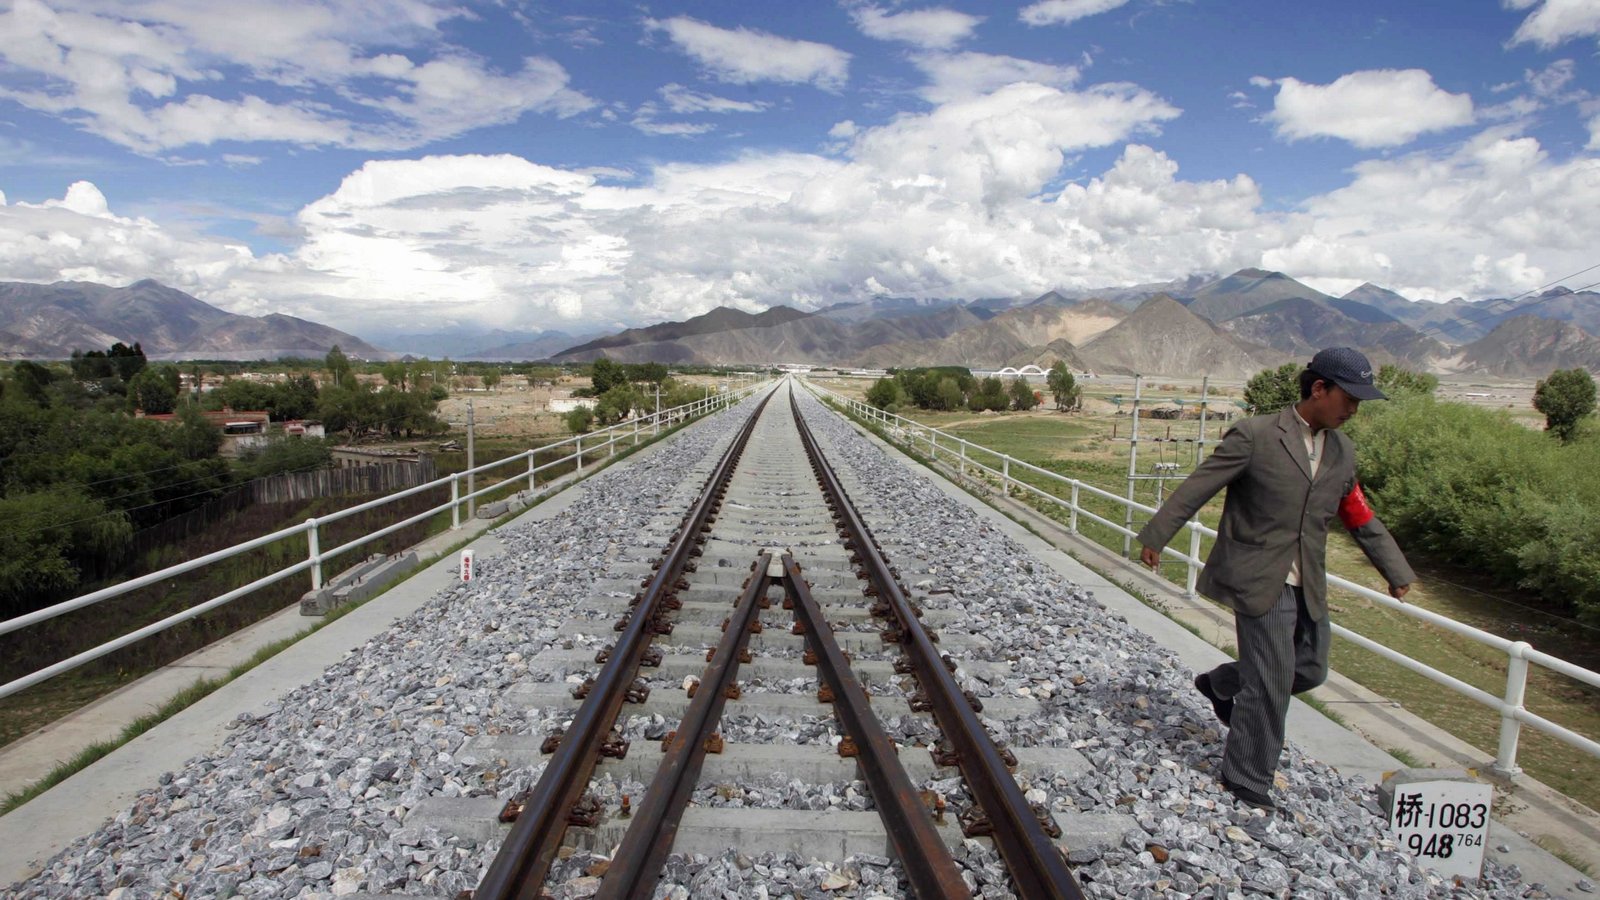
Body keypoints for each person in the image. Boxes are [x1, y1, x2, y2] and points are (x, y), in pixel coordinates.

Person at [1136, 347, 1414, 811]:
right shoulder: (1257, 434)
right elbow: (1200, 485)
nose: (1354, 409)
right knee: (1269, 683)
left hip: (1309, 580)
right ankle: (1247, 778)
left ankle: (1223, 685)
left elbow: (1358, 514)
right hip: (1259, 576)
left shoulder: (1342, 451)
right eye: (1350, 397)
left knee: (1309, 668)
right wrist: (1158, 534)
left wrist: (1395, 570)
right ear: (1319, 388)